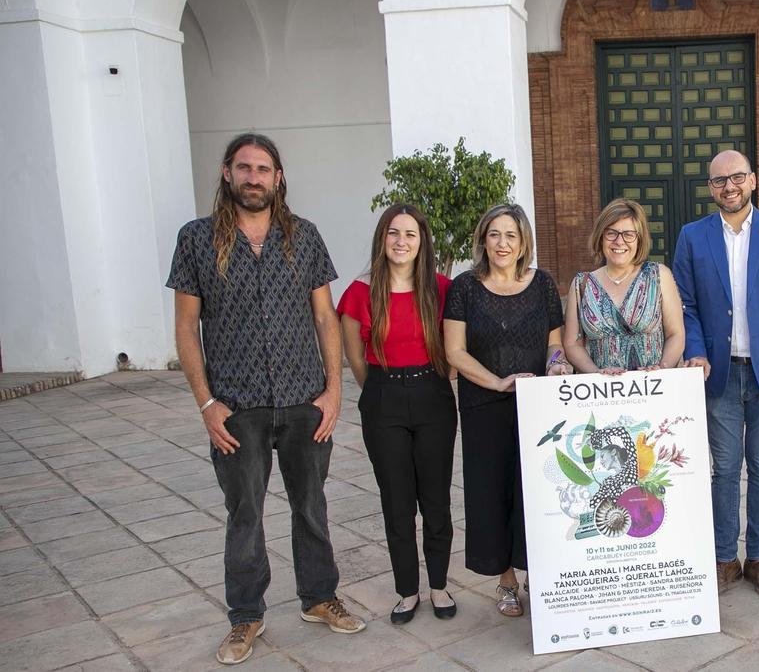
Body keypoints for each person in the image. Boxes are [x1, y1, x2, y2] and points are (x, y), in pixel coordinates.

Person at [167, 133, 365, 666]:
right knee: (245, 515)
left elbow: (325, 316)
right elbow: (186, 326)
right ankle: (245, 616)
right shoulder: (196, 239)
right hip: (237, 408)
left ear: (279, 177)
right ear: (227, 173)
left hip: (304, 402)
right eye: (244, 168)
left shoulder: (303, 237)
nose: (254, 177)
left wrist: (333, 390)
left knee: (311, 507)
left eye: (264, 169)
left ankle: (319, 597)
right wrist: (207, 404)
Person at [672, 150, 759, 599]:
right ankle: (723, 559)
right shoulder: (692, 237)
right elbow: (684, 305)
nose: (728, 186)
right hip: (719, 374)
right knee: (725, 469)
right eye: (718, 181)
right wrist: (694, 351)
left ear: (753, 179)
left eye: (736, 177)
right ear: (710, 187)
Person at [443, 203, 569, 617]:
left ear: (523, 242)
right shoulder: (464, 287)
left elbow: (555, 342)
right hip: (485, 405)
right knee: (492, 492)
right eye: (494, 234)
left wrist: (556, 363)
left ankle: (539, 572)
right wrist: (496, 381)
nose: (502, 243)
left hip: (537, 407)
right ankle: (507, 581)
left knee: (537, 490)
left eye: (510, 235)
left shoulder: (544, 284)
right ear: (483, 239)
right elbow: (454, 352)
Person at [337, 203, 458, 624]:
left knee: (437, 500)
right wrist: (382, 387)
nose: (401, 241)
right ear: (381, 239)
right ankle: (407, 591)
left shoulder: (442, 289)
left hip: (433, 396)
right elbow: (355, 359)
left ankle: (439, 585)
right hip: (384, 395)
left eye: (409, 234)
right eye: (393, 233)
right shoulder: (360, 291)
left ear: (422, 241)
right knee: (397, 503)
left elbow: (455, 347)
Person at [563, 198, 685, 374]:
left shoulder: (658, 276)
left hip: (654, 389)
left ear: (639, 239)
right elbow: (572, 343)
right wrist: (597, 373)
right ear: (601, 236)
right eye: (611, 233)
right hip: (604, 393)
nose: (619, 241)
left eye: (628, 234)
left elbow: (676, 334)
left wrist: (661, 368)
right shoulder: (582, 284)